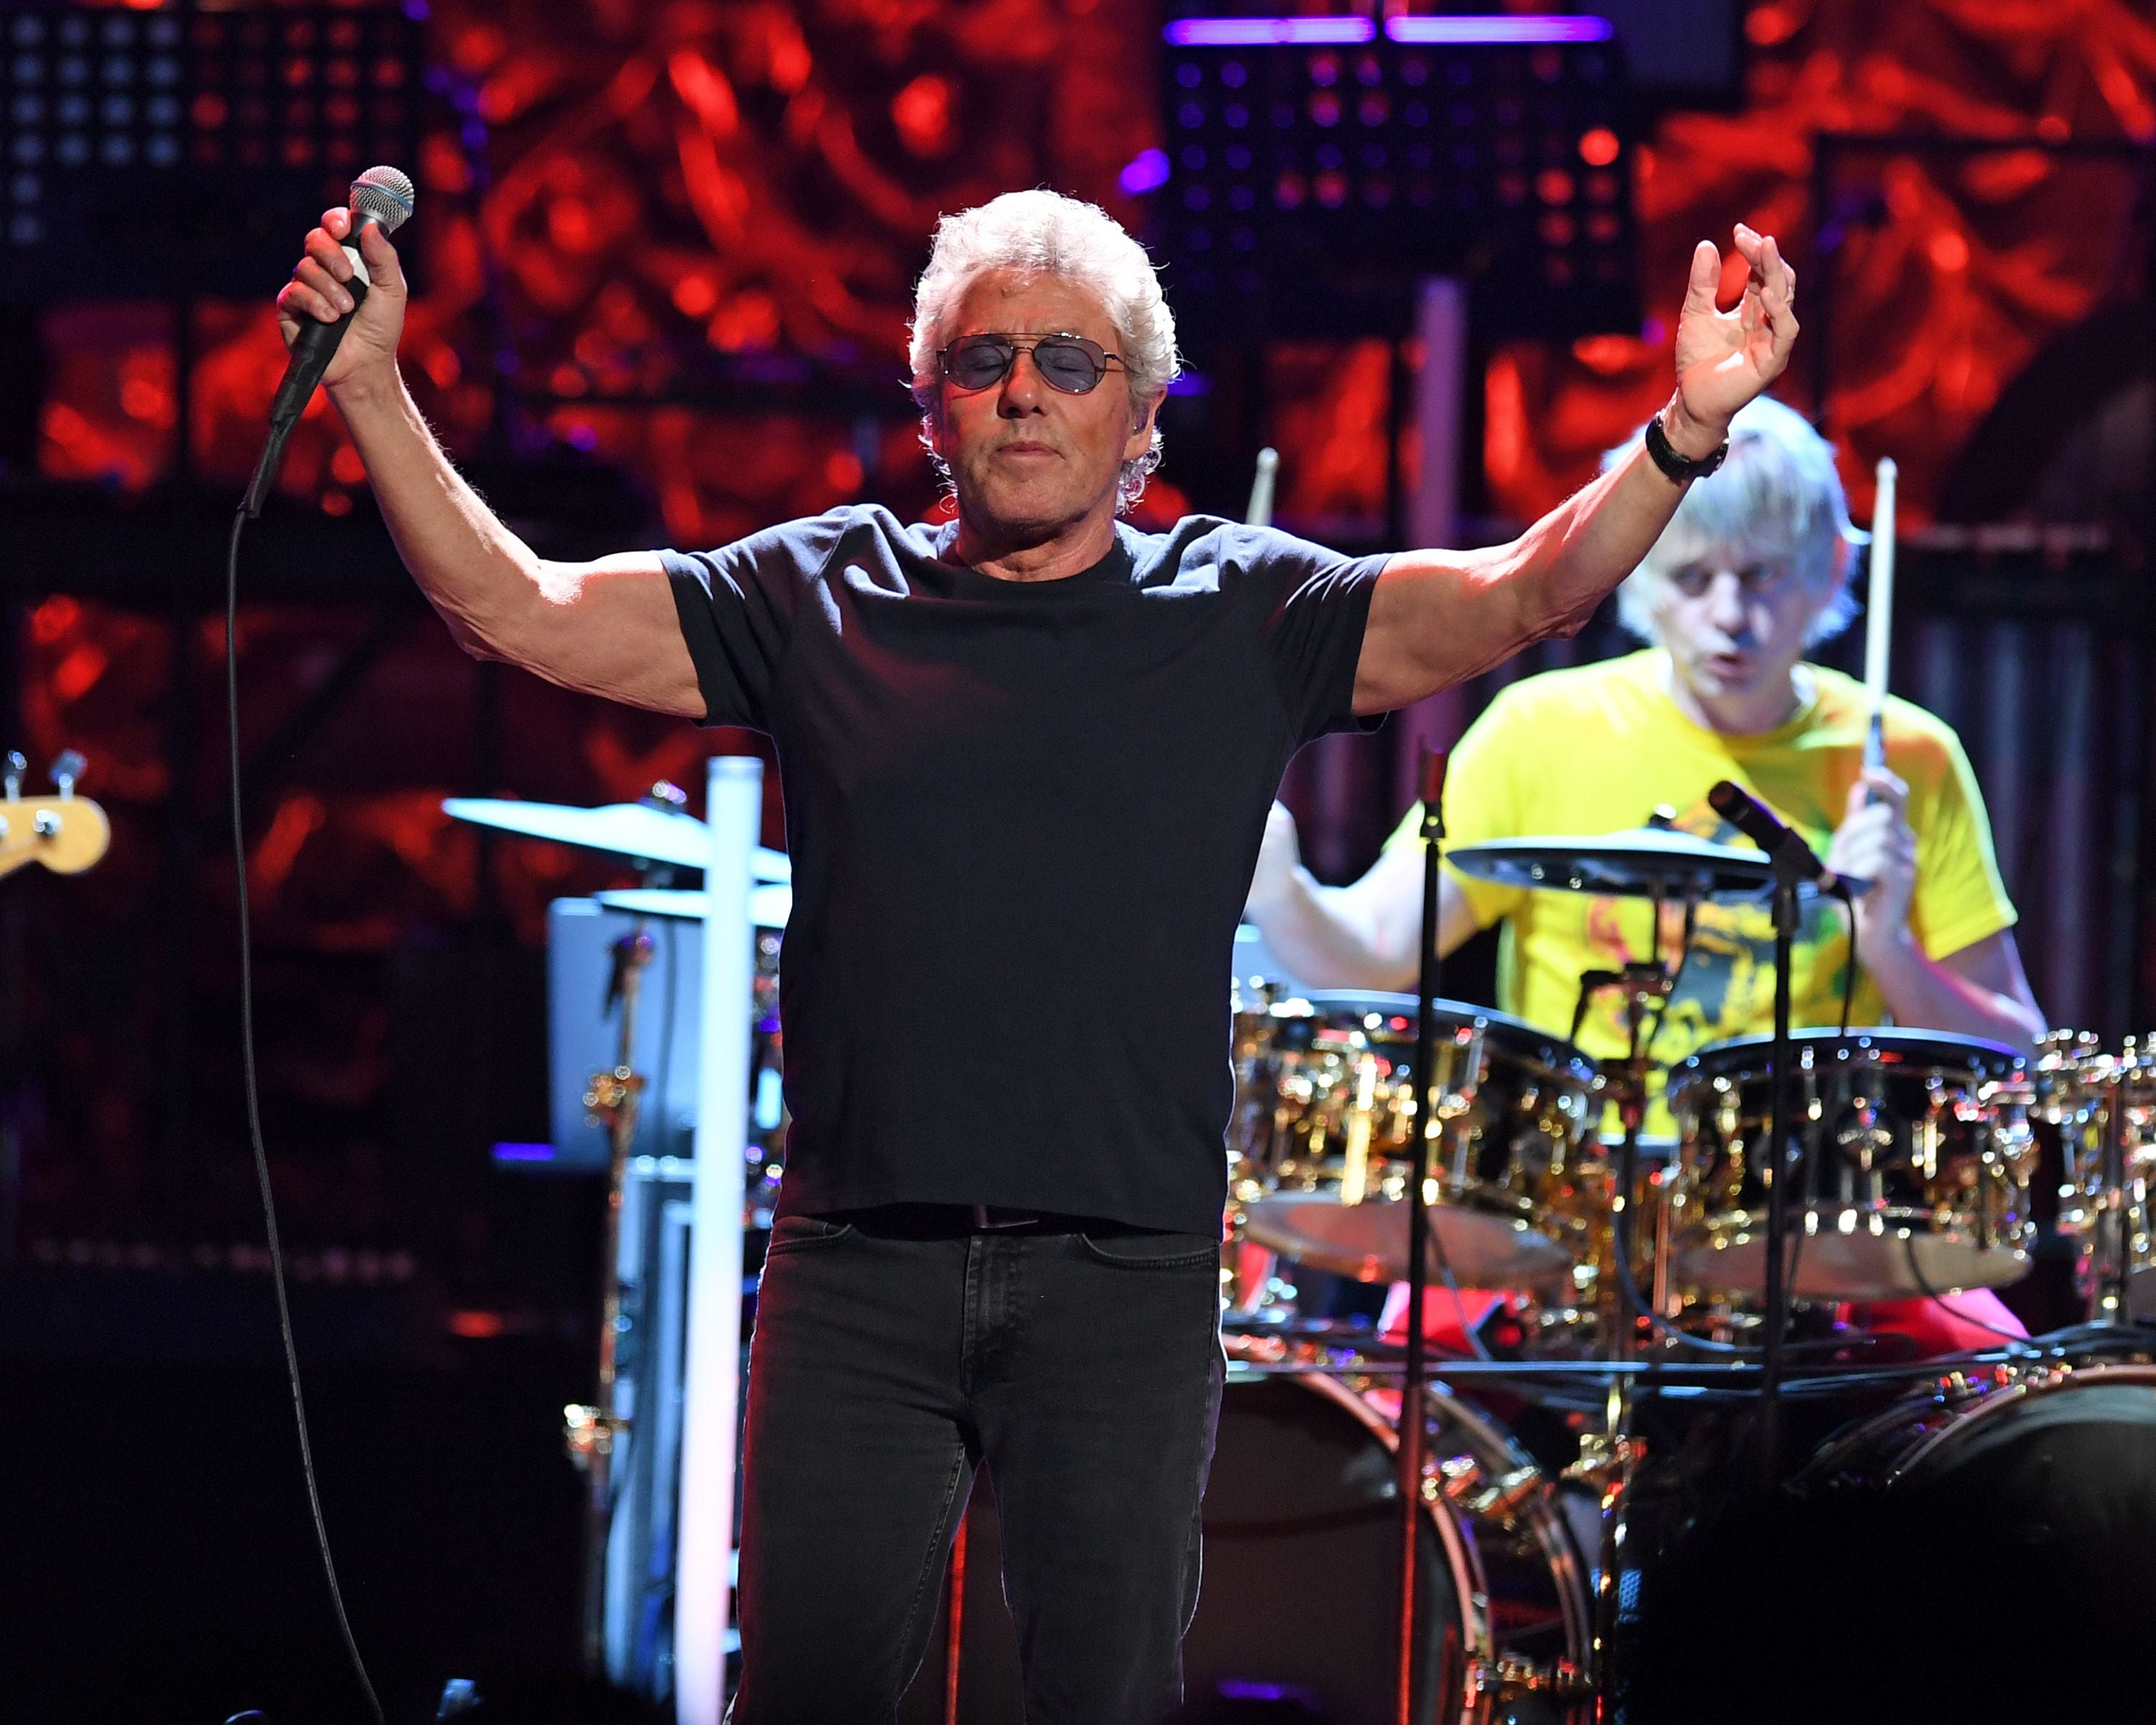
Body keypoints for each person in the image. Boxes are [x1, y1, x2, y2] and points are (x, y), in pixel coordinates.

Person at [278, 188, 1796, 1720]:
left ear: (1140, 414)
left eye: (1070, 362)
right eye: (986, 356)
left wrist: (1682, 428)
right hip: (857, 1261)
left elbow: (1525, 591)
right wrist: (371, 387)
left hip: (1122, 1273)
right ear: (931, 402)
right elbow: (512, 610)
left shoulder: (1242, 611)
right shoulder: (820, 594)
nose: (1024, 390)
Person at [1245, 395, 2045, 1351]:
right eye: (1692, 577)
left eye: (1761, 578)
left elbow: (2016, 1055)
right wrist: (1276, 881)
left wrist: (1893, 949)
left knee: (2002, 1395)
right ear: (1637, 575)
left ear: (1829, 570)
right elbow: (1369, 955)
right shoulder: (1541, 731)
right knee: (1399, 1411)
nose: (1729, 616)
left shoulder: (1907, 759)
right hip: (1561, 1211)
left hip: (1807, 1224)